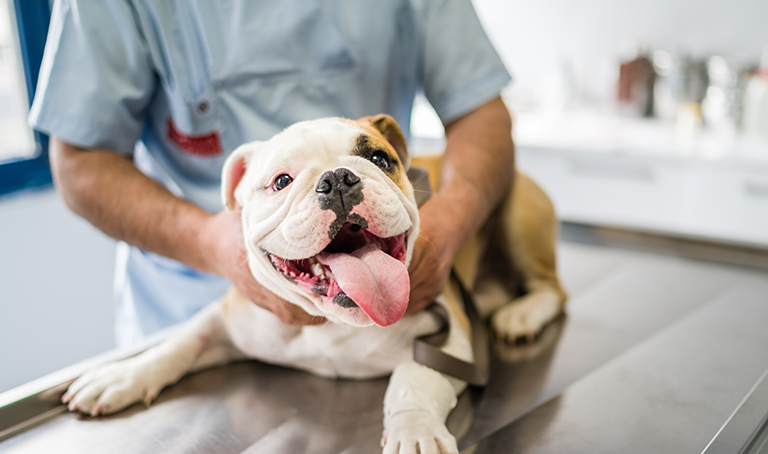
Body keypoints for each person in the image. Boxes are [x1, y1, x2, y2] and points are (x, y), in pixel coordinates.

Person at [30, 0, 514, 346]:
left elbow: (479, 110)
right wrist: (211, 244)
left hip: (385, 296)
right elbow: (79, 160)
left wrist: (450, 222)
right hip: (193, 315)